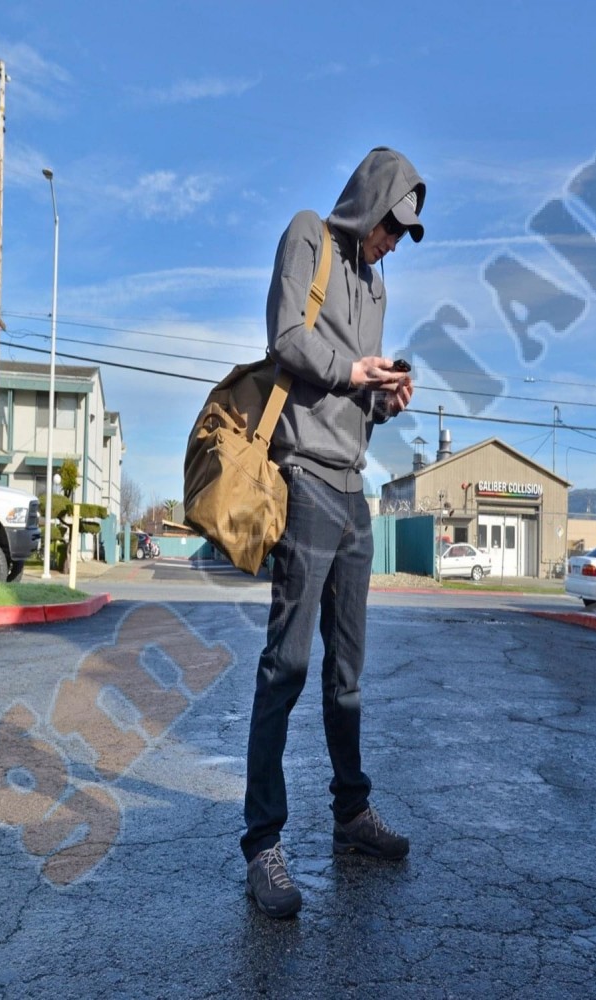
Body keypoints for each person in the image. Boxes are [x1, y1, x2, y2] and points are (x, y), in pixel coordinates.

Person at [242, 147, 426, 918]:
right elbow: (288, 336)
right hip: (305, 478)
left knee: (347, 672)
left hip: (354, 492)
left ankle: (351, 814)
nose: (392, 243)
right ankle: (263, 842)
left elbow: (356, 392)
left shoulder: (378, 285)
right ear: (368, 205)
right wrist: (355, 372)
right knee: (286, 664)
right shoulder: (308, 236)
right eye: (390, 227)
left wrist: (385, 397)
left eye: (403, 235)